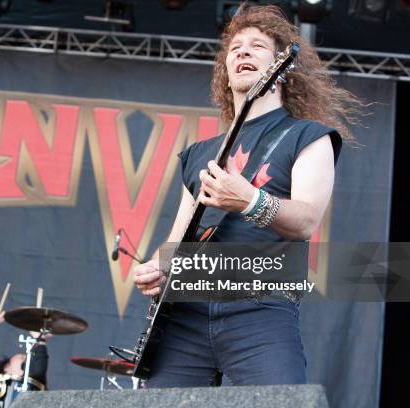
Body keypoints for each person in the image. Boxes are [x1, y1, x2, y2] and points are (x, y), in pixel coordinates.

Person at [133, 4, 362, 387]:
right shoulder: (199, 153)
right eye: (236, 47)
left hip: (261, 309)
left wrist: (250, 201)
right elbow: (176, 243)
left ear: (281, 70)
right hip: (186, 315)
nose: (242, 51)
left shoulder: (308, 137)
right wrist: (157, 268)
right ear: (225, 70)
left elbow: (306, 221)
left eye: (258, 46)